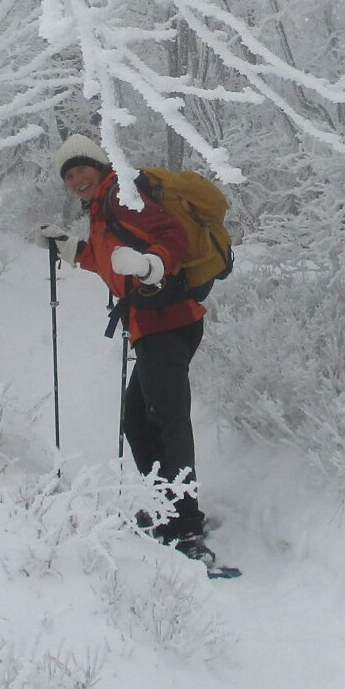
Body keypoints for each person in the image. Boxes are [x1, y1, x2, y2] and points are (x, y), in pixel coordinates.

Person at [45, 135, 208, 544]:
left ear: (98, 166)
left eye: (81, 168)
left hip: (167, 321)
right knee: (137, 421)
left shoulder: (120, 195)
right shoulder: (102, 208)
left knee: (166, 423)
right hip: (151, 325)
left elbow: (171, 235)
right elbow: (111, 260)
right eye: (68, 175)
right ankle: (168, 507)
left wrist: (152, 265)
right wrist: (71, 248)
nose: (76, 179)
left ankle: (185, 524)